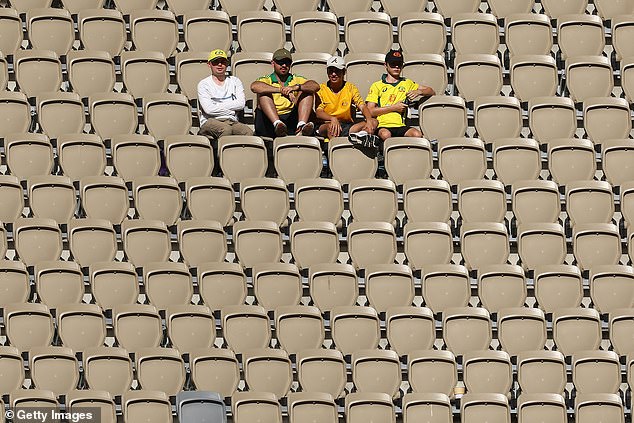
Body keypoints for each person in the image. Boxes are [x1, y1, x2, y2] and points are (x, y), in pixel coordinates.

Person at [366, 50, 435, 141]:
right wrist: (393, 108)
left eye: (399, 64)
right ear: (385, 65)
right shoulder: (377, 85)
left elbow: (431, 91)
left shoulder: (406, 83)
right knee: (385, 134)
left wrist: (419, 92)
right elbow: (370, 111)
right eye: (393, 64)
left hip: (400, 125)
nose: (396, 67)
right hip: (383, 124)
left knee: (417, 134)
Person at [251, 48, 320, 137]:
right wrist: (280, 90)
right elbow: (254, 86)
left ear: (291, 64)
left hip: (291, 118)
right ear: (273, 63)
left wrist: (296, 87)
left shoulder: (296, 79)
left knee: (307, 91)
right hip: (268, 122)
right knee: (263, 93)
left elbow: (315, 86)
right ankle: (277, 124)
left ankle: (301, 126)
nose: (284, 65)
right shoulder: (265, 79)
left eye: (287, 63)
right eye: (280, 62)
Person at [315, 55, 379, 147]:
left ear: (344, 72)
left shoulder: (350, 87)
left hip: (347, 125)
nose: (333, 74)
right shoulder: (321, 89)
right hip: (327, 124)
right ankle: (335, 152)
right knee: (331, 128)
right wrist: (332, 119)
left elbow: (362, 105)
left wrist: (368, 119)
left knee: (374, 122)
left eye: (337, 70)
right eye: (331, 70)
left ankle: (361, 136)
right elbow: (318, 112)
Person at [197, 49, 253, 141]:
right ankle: (222, 155)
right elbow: (209, 110)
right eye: (216, 62)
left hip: (231, 121)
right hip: (210, 121)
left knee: (248, 133)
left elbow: (241, 104)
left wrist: (217, 106)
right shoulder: (204, 84)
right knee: (226, 130)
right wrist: (231, 111)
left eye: (223, 62)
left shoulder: (235, 81)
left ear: (227, 64)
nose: (219, 64)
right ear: (209, 64)